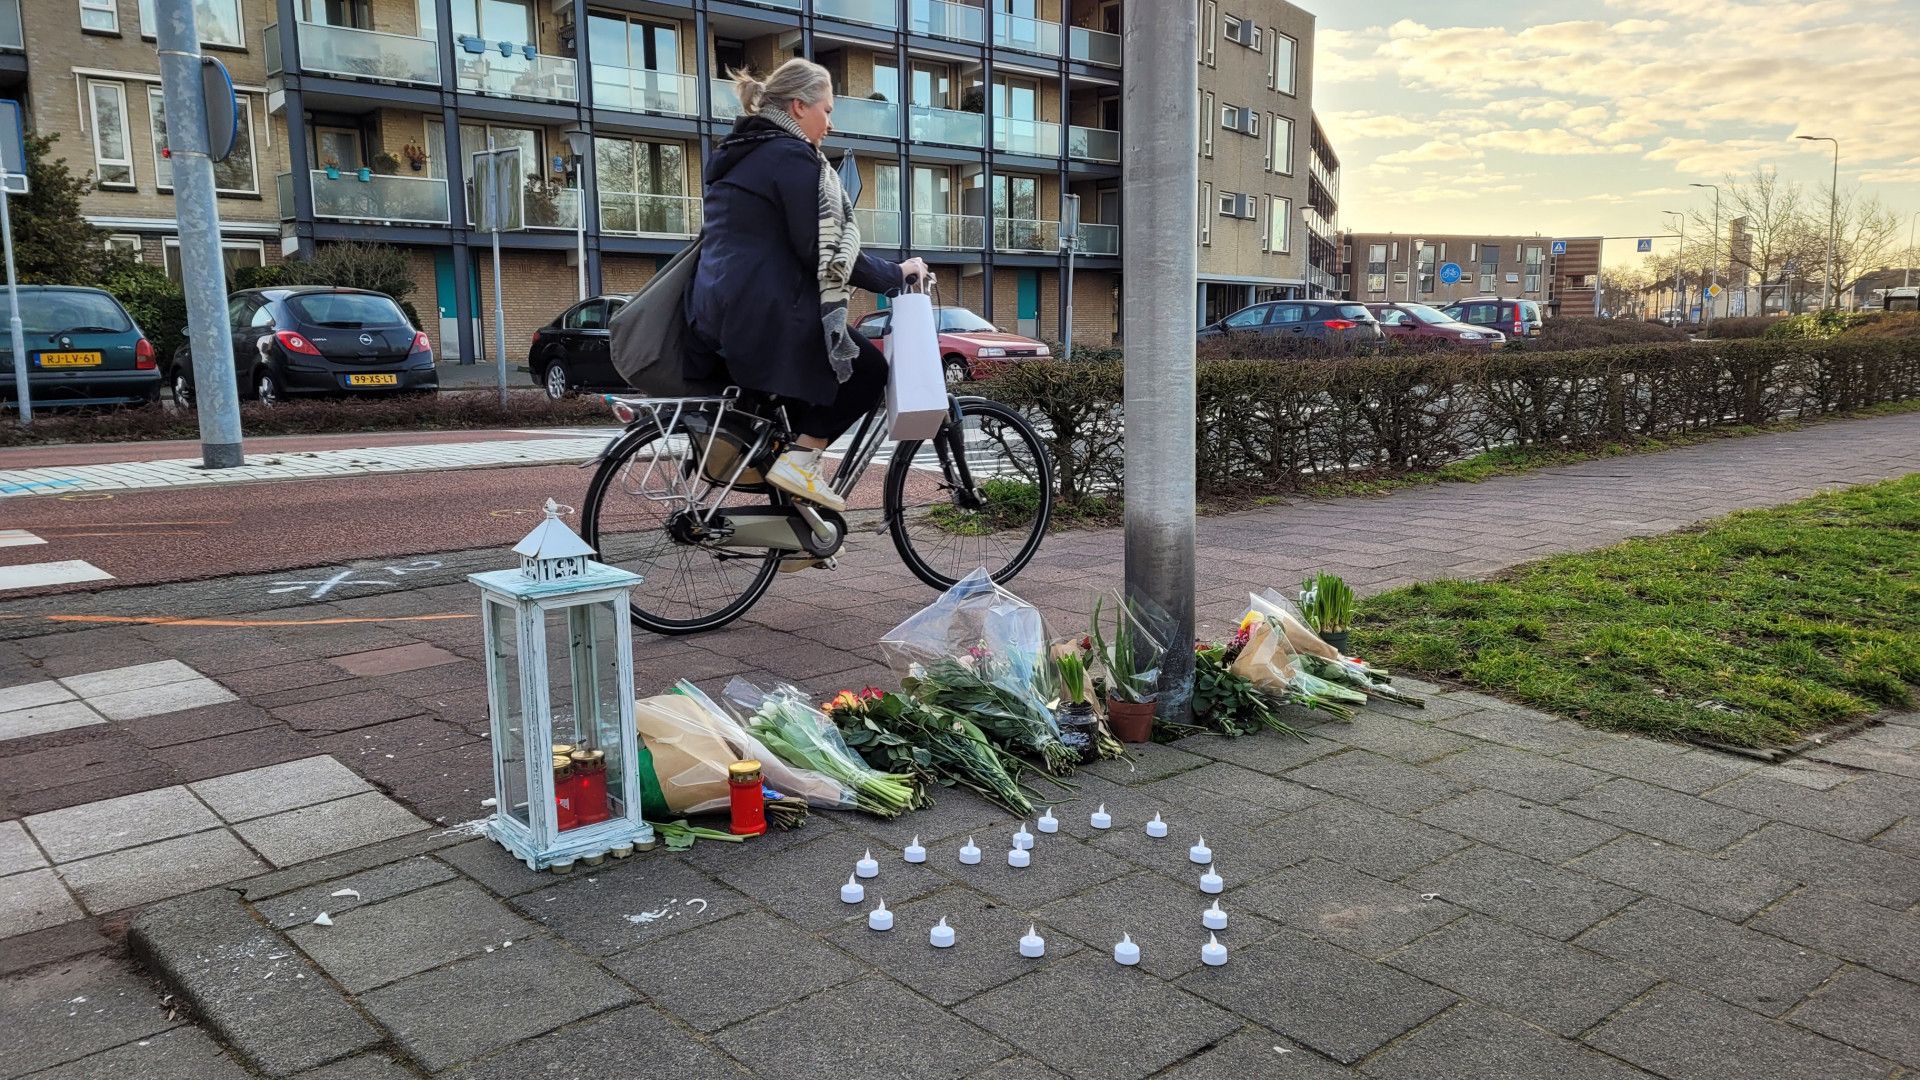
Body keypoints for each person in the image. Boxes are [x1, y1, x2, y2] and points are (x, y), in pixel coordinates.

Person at [685, 58, 932, 515]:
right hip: (762, 314)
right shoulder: (789, 156)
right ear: (799, 106)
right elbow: (826, 251)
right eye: (827, 110)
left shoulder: (744, 150)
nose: (830, 124)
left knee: (794, 421)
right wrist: (896, 274)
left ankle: (795, 528)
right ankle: (801, 464)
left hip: (718, 309)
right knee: (868, 372)